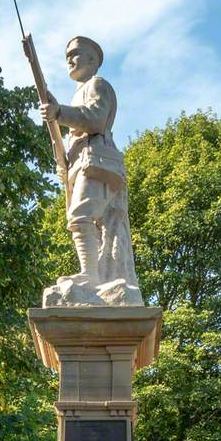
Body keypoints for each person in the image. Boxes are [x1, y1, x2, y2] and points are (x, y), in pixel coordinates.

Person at [41, 36, 141, 304]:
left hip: (97, 163)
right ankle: (94, 274)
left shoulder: (98, 85)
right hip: (83, 165)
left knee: (81, 215)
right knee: (83, 222)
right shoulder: (80, 92)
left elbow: (95, 119)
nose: (70, 60)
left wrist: (60, 112)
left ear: (92, 60)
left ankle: (90, 275)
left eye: (76, 54)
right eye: (67, 57)